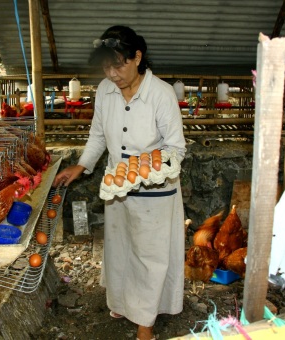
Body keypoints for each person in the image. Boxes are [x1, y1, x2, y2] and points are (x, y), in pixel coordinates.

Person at [53, 25, 186, 340]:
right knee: (121, 248)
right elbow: (98, 135)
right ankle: (125, 304)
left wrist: (144, 169)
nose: (112, 73)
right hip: (117, 189)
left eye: (119, 64)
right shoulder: (104, 91)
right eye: (106, 66)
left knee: (149, 254)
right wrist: (82, 166)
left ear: (137, 57)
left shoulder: (161, 94)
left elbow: (176, 148)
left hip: (154, 191)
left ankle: (145, 321)